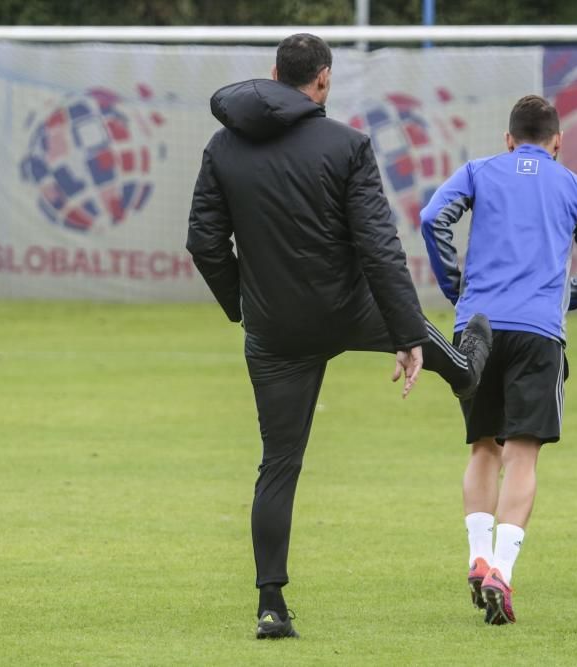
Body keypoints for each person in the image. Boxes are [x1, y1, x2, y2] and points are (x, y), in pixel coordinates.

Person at [186, 33, 492, 640]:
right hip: (350, 308)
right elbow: (378, 249)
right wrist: (404, 335)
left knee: (278, 465)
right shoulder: (346, 145)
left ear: (276, 74)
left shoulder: (223, 147)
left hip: (274, 329)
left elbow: (204, 242)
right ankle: (463, 371)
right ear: (322, 80)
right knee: (446, 350)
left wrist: (242, 305)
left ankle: (271, 605)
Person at [420, 95, 577, 624]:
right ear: (558, 141)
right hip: (537, 331)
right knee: (523, 456)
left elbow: (431, 217)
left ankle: (476, 555)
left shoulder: (478, 170)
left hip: (478, 328)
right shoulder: (573, 185)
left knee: (483, 447)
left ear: (508, 139)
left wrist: (455, 287)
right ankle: (502, 571)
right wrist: (561, 296)